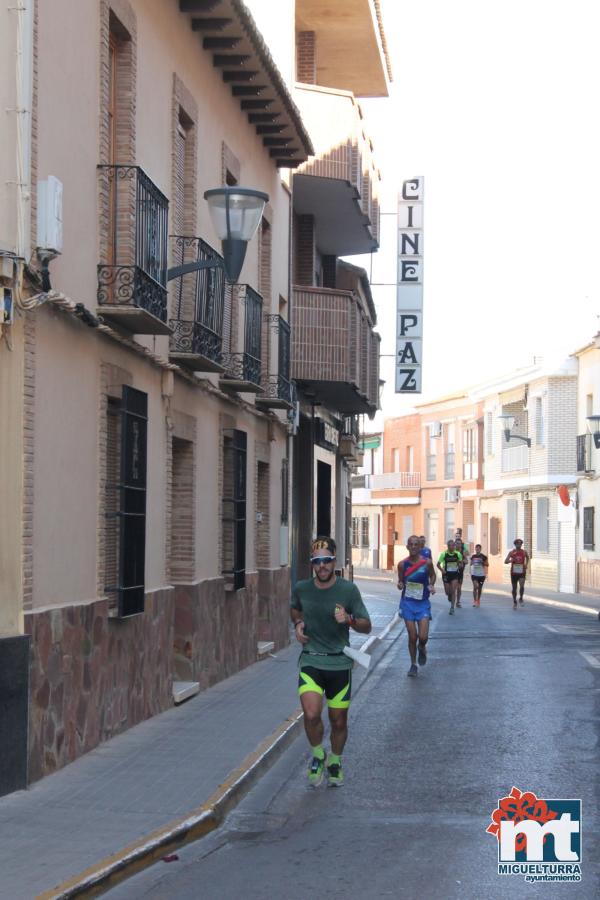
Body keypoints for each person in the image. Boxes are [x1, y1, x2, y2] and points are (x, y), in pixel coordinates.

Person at [291, 536, 371, 787]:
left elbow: (366, 626)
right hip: (311, 660)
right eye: (317, 561)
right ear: (312, 564)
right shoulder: (302, 588)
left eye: (326, 560)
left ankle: (335, 760)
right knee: (312, 713)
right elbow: (295, 607)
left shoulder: (348, 590)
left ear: (334, 561)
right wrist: (298, 623)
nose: (322, 566)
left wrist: (348, 619)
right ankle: (317, 754)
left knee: (338, 720)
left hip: (339, 664)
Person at [397, 535, 436, 676]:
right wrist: (400, 584)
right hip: (407, 603)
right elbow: (400, 581)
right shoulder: (402, 564)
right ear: (407, 547)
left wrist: (431, 585)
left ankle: (422, 647)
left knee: (423, 637)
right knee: (412, 636)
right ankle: (413, 664)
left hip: (423, 603)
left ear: (420, 547)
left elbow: (433, 575)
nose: (413, 547)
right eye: (411, 544)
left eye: (416, 544)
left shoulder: (427, 563)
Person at [437, 539, 463, 615]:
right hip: (446, 574)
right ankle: (449, 596)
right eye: (450, 545)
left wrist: (459, 565)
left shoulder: (458, 554)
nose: (451, 547)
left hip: (454, 574)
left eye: (453, 545)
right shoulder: (443, 554)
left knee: (453, 590)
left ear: (454, 546)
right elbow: (438, 564)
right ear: (448, 546)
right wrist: (442, 570)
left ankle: (452, 607)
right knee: (447, 592)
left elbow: (461, 564)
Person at [504, 538, 530, 608]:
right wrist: (511, 561)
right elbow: (505, 561)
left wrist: (526, 565)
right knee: (514, 588)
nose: (519, 545)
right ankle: (514, 601)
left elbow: (528, 558)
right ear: (515, 544)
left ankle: (521, 598)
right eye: (517, 544)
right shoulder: (512, 552)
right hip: (514, 573)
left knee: (522, 586)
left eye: (520, 544)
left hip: (521, 572)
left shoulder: (524, 552)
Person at [453, 532, 469, 607]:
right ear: (455, 544)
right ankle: (452, 599)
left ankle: (458, 602)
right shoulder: (452, 551)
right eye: (457, 543)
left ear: (461, 544)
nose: (458, 545)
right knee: (453, 588)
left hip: (460, 572)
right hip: (452, 572)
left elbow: (467, 561)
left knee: (459, 588)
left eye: (459, 543)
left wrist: (461, 561)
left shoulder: (463, 552)